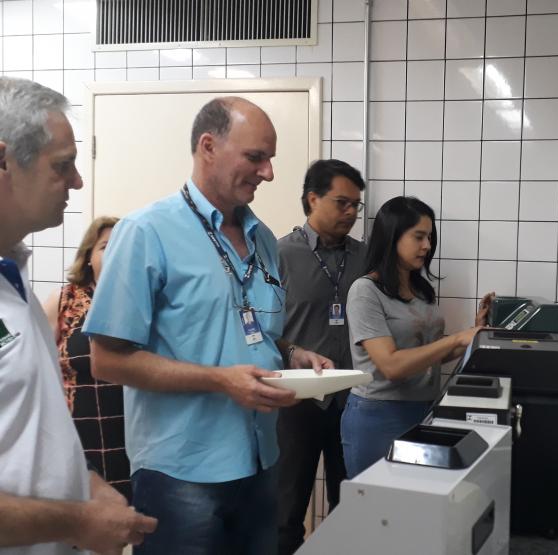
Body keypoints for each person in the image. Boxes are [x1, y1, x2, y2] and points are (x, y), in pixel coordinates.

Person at [84, 97, 331, 555]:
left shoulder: (263, 239)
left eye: (270, 159)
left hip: (260, 460)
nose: (268, 173)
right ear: (208, 146)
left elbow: (253, 329)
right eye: (256, 157)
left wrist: (292, 353)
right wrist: (221, 381)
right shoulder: (146, 232)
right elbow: (108, 360)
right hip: (182, 470)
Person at [0, 76, 157, 554]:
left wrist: (83, 481)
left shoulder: (14, 277)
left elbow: (29, 424)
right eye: (62, 165)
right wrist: (77, 519)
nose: (78, 181)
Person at [341, 196, 494, 478]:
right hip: (378, 415)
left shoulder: (421, 290)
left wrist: (474, 334)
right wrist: (457, 339)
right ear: (392, 237)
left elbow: (430, 355)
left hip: (424, 410)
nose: (427, 246)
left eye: (430, 237)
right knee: (379, 501)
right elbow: (391, 366)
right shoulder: (365, 291)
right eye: (419, 237)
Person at [275, 159, 367, 554]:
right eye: (342, 203)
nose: (351, 212)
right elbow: (261, 328)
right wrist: (292, 353)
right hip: (296, 402)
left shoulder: (365, 258)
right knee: (285, 511)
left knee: (351, 508)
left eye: (355, 205)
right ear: (313, 199)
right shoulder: (280, 254)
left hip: (353, 402)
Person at [41, 216, 132, 500]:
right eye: (105, 247)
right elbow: (36, 366)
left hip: (136, 440)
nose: (115, 253)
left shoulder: (143, 301)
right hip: (78, 439)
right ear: (89, 257)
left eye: (123, 246)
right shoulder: (64, 300)